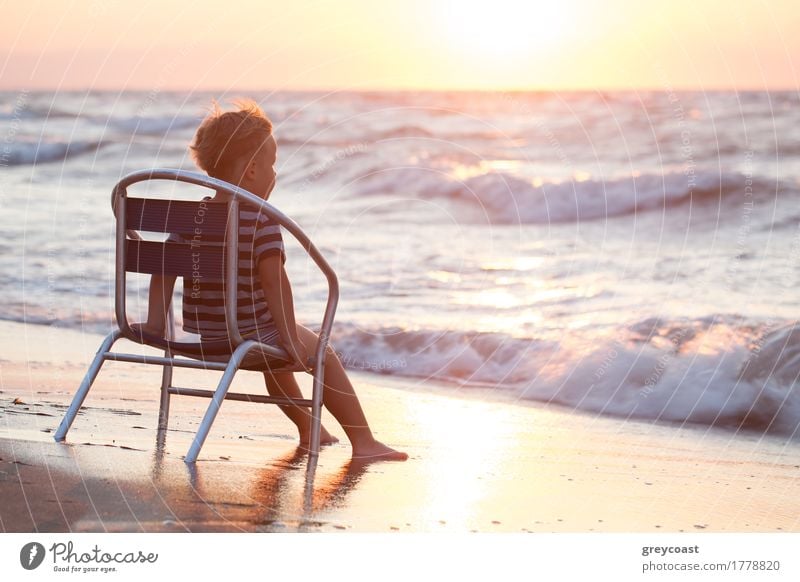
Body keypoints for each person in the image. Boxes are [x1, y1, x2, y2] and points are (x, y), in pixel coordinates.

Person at [132, 99, 407, 461]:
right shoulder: (261, 220)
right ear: (251, 171)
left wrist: (156, 321)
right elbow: (275, 282)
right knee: (322, 356)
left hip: (211, 335)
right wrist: (290, 338)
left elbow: (163, 265)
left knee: (275, 365)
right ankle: (364, 442)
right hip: (250, 334)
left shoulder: (193, 216)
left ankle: (309, 428)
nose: (275, 173)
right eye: (272, 165)